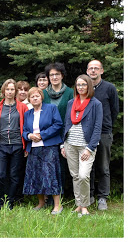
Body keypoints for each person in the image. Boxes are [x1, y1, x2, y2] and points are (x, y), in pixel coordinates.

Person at [62, 75, 103, 216]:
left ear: (88, 86)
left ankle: (84, 205)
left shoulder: (95, 104)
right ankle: (79, 205)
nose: (80, 87)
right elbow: (66, 124)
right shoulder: (71, 103)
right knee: (75, 176)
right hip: (70, 144)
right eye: (78, 85)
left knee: (83, 175)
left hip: (86, 146)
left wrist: (90, 148)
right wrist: (63, 145)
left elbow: (98, 128)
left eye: (83, 85)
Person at [22, 87, 64, 214]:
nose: (35, 98)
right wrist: (29, 136)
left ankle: (57, 205)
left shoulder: (51, 108)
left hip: (49, 146)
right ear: (29, 99)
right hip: (33, 148)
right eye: (32, 96)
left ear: (41, 97)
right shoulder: (27, 113)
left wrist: (42, 135)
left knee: (51, 174)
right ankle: (41, 203)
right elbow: (24, 130)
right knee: (36, 175)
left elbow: (58, 124)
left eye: (37, 96)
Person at [0, 79, 28, 210]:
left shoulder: (22, 107)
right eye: (7, 89)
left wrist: (26, 146)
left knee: (14, 175)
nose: (10, 92)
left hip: (18, 144)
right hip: (1, 145)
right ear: (3, 91)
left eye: (12, 89)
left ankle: (10, 202)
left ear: (15, 91)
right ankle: (0, 202)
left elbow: (26, 126)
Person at [86, 60, 119, 211]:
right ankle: (90, 195)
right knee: (88, 167)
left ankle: (103, 198)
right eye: (90, 68)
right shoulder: (84, 87)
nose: (93, 71)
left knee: (103, 166)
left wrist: (107, 125)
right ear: (87, 71)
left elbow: (114, 110)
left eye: (96, 68)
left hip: (104, 132)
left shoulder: (109, 88)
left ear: (102, 71)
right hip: (87, 133)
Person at [43, 62, 74, 201]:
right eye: (51, 75)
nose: (54, 77)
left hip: (64, 134)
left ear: (62, 75)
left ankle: (60, 197)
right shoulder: (43, 93)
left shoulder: (70, 93)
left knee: (61, 167)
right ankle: (49, 197)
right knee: (47, 166)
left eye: (57, 74)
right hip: (47, 135)